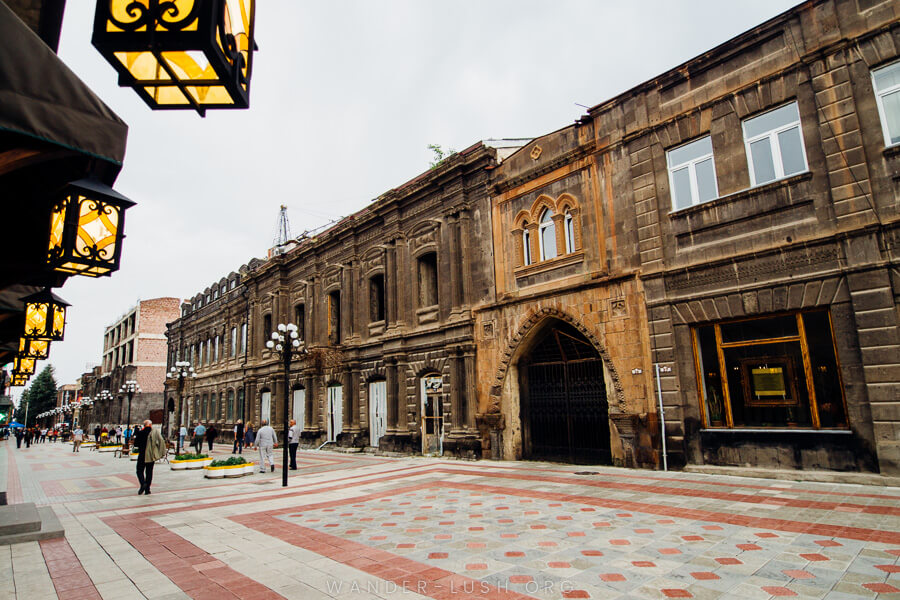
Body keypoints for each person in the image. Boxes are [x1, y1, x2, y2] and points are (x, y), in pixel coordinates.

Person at [134, 420, 166, 495]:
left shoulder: (140, 432)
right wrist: (160, 452)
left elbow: (136, 444)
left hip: (142, 454)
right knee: (149, 472)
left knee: (139, 470)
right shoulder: (155, 432)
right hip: (151, 455)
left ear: (144, 425)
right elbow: (161, 441)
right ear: (150, 425)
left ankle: (143, 483)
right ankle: (147, 489)